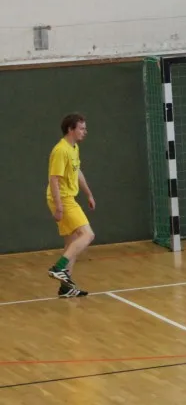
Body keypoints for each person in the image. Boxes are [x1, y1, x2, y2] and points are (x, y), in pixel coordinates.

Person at [46, 113, 95, 298]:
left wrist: (88, 193)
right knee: (87, 235)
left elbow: (77, 172)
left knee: (71, 242)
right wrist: (59, 206)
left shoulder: (74, 148)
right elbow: (54, 179)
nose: (85, 132)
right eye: (81, 128)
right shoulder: (61, 150)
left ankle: (65, 288)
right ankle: (58, 268)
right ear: (70, 129)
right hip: (63, 199)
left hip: (68, 198)